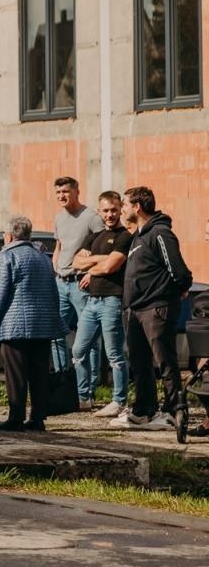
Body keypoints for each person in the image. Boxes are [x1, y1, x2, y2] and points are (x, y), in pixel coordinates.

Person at [112, 186, 194, 440]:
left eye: (125, 204)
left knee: (164, 360)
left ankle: (172, 410)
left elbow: (178, 270)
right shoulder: (138, 236)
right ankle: (143, 410)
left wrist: (179, 289)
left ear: (137, 207)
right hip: (135, 310)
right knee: (139, 362)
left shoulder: (160, 232)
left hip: (156, 307)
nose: (122, 209)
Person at [0, 214, 64, 431]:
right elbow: (53, 292)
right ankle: (38, 418)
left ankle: (16, 417)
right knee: (39, 373)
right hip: (42, 326)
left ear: (9, 236)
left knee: (16, 374)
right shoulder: (43, 258)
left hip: (13, 326)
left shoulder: (6, 257)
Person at [71, 190, 131, 416]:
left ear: (121, 210)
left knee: (114, 354)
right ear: (99, 212)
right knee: (78, 351)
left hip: (112, 300)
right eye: (105, 211)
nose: (110, 215)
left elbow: (112, 266)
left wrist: (93, 266)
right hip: (92, 301)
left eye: (114, 210)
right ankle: (84, 398)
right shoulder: (94, 236)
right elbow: (75, 263)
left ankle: (119, 401)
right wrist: (101, 260)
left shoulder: (124, 237)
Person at [51, 177, 104, 370]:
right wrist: (55, 269)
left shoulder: (91, 217)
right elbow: (59, 247)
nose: (61, 196)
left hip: (81, 283)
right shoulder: (59, 218)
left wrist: (92, 273)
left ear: (77, 192)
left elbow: (104, 248)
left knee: (89, 336)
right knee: (55, 334)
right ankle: (63, 378)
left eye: (65, 191)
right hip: (60, 283)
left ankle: (91, 383)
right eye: (58, 192)